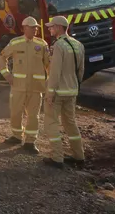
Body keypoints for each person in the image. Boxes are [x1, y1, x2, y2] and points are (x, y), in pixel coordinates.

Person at [0, 16, 50, 154]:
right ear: (25, 28)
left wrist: (49, 81)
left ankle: (30, 141)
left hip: (36, 88)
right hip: (18, 86)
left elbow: (48, 65)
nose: (36, 29)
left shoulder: (42, 44)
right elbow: (2, 57)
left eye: (36, 27)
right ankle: (16, 136)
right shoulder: (15, 43)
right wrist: (7, 75)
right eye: (33, 27)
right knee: (15, 112)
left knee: (33, 116)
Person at [43, 15, 86, 169]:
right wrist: (75, 85)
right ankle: (79, 156)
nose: (49, 29)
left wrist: (50, 93)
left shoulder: (59, 46)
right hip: (72, 91)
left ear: (59, 28)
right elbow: (81, 70)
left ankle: (57, 158)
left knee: (51, 122)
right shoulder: (78, 45)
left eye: (51, 26)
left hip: (58, 92)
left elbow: (55, 72)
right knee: (70, 123)